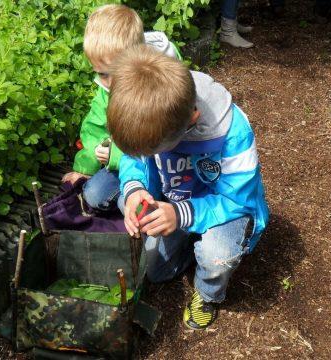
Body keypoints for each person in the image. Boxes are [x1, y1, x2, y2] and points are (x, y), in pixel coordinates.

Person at [107, 45, 269, 330]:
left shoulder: (232, 134)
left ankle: (208, 294)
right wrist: (134, 189)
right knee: (155, 272)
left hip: (226, 210)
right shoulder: (150, 112)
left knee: (216, 255)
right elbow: (135, 158)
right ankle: (193, 245)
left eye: (153, 149)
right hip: (177, 205)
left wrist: (180, 215)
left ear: (191, 122)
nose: (148, 153)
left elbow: (237, 202)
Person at [61, 4, 181, 213]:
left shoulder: (161, 82)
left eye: (115, 72)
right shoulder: (107, 87)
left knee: (133, 206)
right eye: (101, 74)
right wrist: (86, 167)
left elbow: (154, 142)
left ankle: (169, 210)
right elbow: (95, 128)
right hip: (129, 162)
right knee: (94, 194)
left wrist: (114, 155)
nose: (108, 82)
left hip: (167, 161)